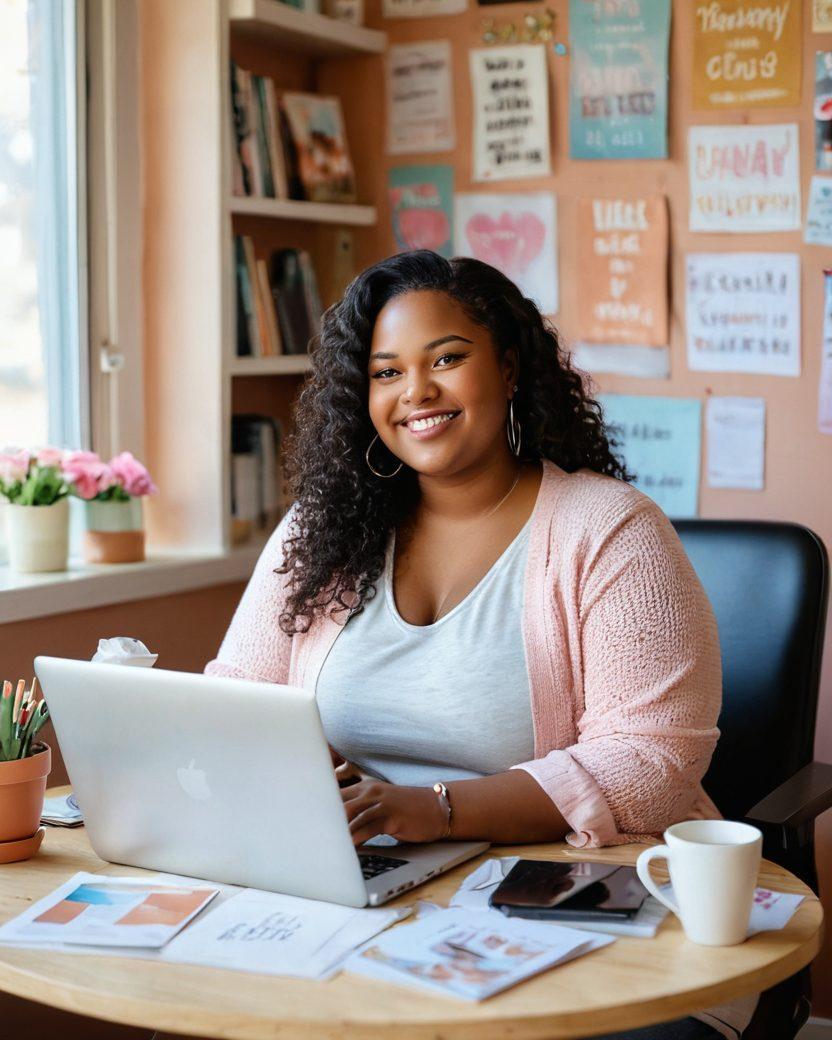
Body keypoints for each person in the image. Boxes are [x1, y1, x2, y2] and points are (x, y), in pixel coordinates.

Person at [206, 250, 754, 1039]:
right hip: (370, 892)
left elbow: (652, 766)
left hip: (577, 898)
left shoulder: (611, 532)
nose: (416, 392)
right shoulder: (320, 535)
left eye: (447, 359)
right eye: (386, 372)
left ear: (508, 367)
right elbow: (237, 697)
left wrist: (435, 810)